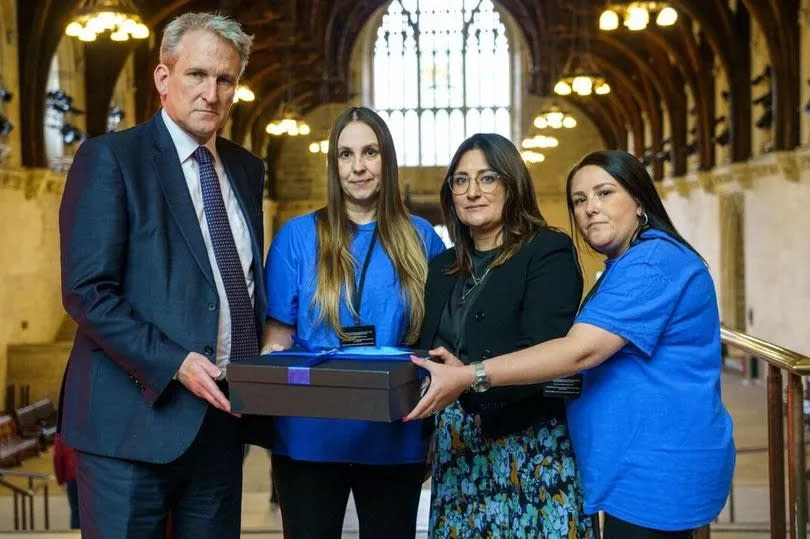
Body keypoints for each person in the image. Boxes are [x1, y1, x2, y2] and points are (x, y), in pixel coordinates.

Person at [407, 150, 735, 538]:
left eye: (604, 193)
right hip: (635, 467)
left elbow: (580, 349)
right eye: (579, 200)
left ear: (640, 200)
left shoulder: (652, 262)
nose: (590, 209)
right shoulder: (629, 263)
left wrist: (471, 374)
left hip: (657, 470)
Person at [58, 13, 265, 538]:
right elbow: (88, 293)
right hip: (130, 427)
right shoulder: (111, 159)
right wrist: (174, 363)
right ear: (163, 77)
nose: (211, 93)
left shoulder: (245, 169)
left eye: (225, 80)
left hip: (220, 425)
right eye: (197, 74)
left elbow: (238, 285)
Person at [261, 106, 446, 538]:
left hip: (393, 435)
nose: (358, 167)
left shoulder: (422, 239)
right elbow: (279, 335)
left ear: (388, 160)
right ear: (333, 163)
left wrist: (434, 428)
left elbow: (438, 339)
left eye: (370, 152)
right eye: (346, 154)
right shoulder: (297, 237)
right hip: (308, 437)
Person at [415, 133, 592, 537]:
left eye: (487, 178)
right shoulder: (441, 268)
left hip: (529, 449)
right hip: (458, 452)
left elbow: (549, 352)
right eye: (460, 181)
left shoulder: (546, 250)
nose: (472, 192)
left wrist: (470, 376)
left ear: (511, 184)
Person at [52, 434, 79, 529]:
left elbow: (57, 458)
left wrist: (61, 480)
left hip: (72, 477)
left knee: (76, 511)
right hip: (90, 477)